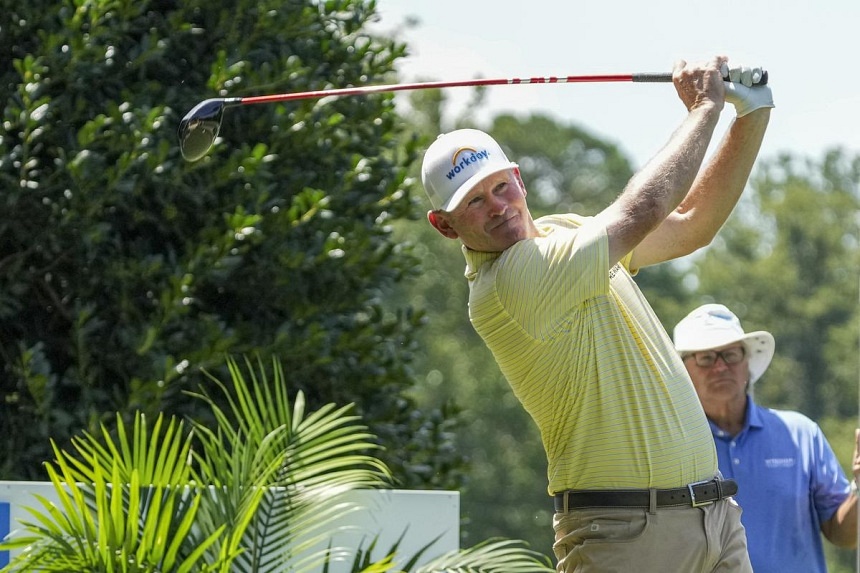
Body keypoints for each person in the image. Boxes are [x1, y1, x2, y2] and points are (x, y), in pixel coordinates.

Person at [420, 55, 773, 573]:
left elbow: (694, 223)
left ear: (519, 179)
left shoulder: (564, 231)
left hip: (714, 518)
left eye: (501, 186)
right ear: (445, 226)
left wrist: (752, 113)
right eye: (474, 202)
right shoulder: (508, 283)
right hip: (625, 534)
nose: (499, 206)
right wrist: (703, 109)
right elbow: (640, 211)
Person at [673, 303, 860, 572]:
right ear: (683, 370)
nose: (720, 367)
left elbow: (845, 536)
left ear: (747, 363)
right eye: (706, 358)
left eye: (730, 354)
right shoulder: (671, 446)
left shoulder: (801, 433)